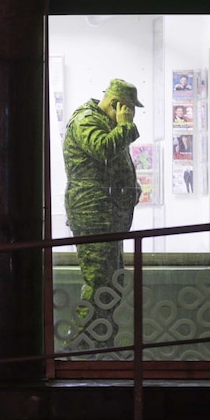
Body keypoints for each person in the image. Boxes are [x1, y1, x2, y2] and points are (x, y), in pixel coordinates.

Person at [63, 78, 143, 349]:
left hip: (108, 216)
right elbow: (103, 149)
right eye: (130, 108)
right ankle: (82, 346)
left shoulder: (106, 123)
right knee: (98, 282)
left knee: (112, 282)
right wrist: (125, 125)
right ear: (117, 104)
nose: (131, 114)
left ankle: (101, 340)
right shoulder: (87, 120)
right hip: (94, 215)